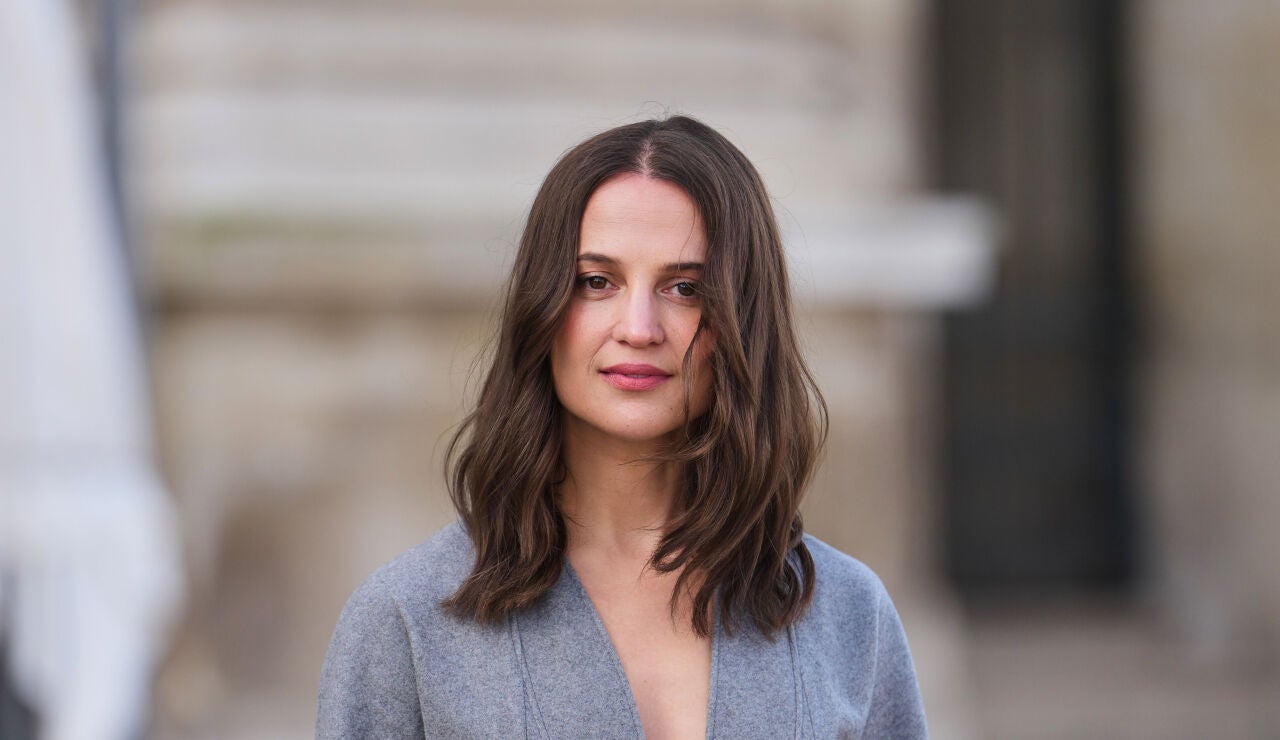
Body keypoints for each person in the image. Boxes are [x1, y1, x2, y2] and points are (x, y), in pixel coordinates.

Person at [317, 116, 927, 738]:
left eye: (686, 287)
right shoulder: (406, 619)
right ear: (543, 306)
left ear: (742, 321)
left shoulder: (850, 614)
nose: (639, 326)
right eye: (596, 282)